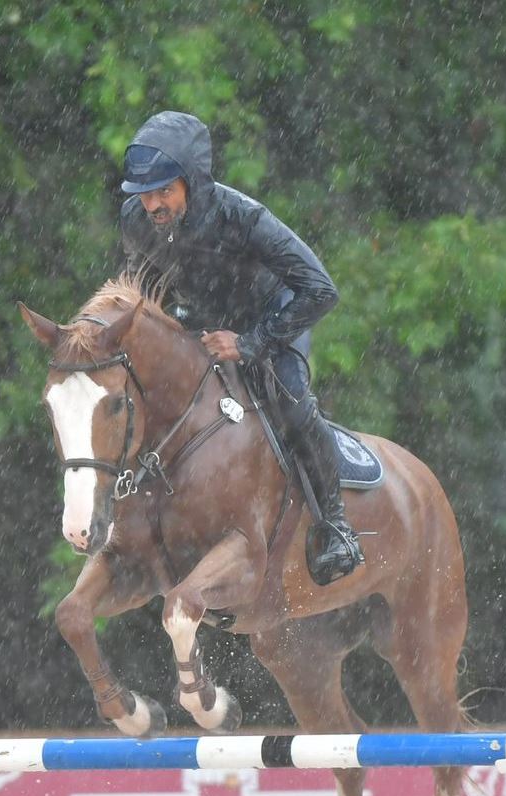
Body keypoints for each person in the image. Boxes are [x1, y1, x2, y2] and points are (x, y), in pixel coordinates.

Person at [117, 110, 363, 586]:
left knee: (291, 403)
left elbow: (321, 289)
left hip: (273, 314)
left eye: (164, 191)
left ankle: (336, 526)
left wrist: (251, 343)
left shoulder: (243, 218)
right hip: (202, 320)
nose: (152, 204)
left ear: (192, 182)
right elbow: (139, 288)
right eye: (144, 193)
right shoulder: (136, 219)